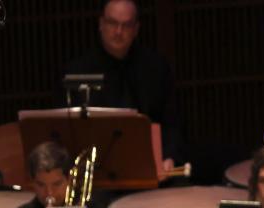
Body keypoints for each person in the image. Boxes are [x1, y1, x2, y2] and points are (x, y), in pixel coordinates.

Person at [64, 0, 183, 169]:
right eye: (113, 23)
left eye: (126, 25)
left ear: (136, 29)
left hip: (150, 165)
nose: (118, 32)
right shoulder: (77, 71)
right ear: (101, 24)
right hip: (97, 170)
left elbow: (171, 122)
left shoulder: (156, 67)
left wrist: (170, 157)